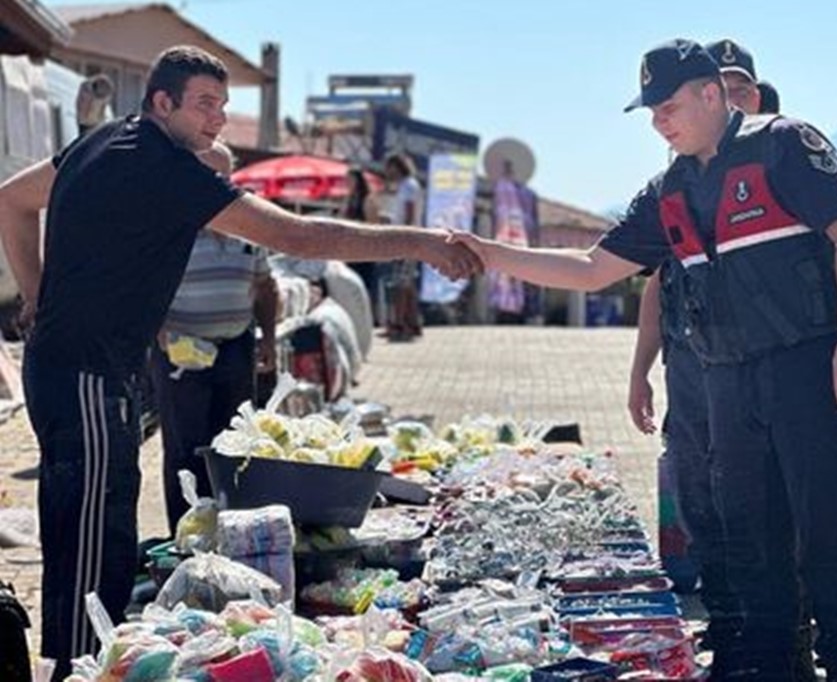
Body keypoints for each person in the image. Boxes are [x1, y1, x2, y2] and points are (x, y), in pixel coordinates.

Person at [0, 44, 479, 679]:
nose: (218, 119)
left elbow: (12, 198)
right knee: (92, 526)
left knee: (104, 514)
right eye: (204, 104)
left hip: (82, 366)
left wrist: (37, 298)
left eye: (224, 106)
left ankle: (92, 661)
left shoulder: (106, 141)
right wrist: (420, 242)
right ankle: (76, 668)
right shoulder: (162, 162)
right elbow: (299, 236)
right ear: (161, 102)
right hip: (85, 370)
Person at [452, 39, 837, 680]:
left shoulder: (785, 145)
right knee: (749, 548)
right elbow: (595, 269)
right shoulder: (667, 191)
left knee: (826, 538)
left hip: (806, 374)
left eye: (668, 106)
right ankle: (769, 669)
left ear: (713, 95)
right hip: (725, 386)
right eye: (650, 111)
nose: (659, 122)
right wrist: (492, 253)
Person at [627, 37, 777, 676]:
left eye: (742, 88)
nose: (734, 98)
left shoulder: (780, 162)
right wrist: (639, 371)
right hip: (690, 368)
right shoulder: (673, 188)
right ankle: (728, 624)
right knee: (697, 498)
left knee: (767, 506)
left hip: (760, 369)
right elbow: (656, 284)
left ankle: (780, 631)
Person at [151, 141, 278, 533]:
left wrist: (269, 339)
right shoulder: (169, 225)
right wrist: (160, 333)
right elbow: (143, 287)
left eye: (224, 177)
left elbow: (265, 285)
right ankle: (187, 536)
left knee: (235, 446)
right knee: (185, 451)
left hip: (235, 347)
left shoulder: (248, 227)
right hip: (181, 352)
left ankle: (232, 531)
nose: (216, 185)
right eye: (207, 175)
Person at [383, 152, 424, 341]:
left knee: (400, 284)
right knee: (407, 284)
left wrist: (402, 237)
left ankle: (398, 324)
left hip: (406, 241)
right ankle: (413, 323)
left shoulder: (408, 186)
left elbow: (409, 212)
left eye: (390, 167)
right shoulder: (407, 186)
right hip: (410, 240)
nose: (387, 172)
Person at [342, 167, 381, 311]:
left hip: (364, 249)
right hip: (350, 249)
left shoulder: (367, 199)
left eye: (350, 180)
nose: (348, 183)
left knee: (364, 284)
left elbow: (373, 225)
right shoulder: (349, 199)